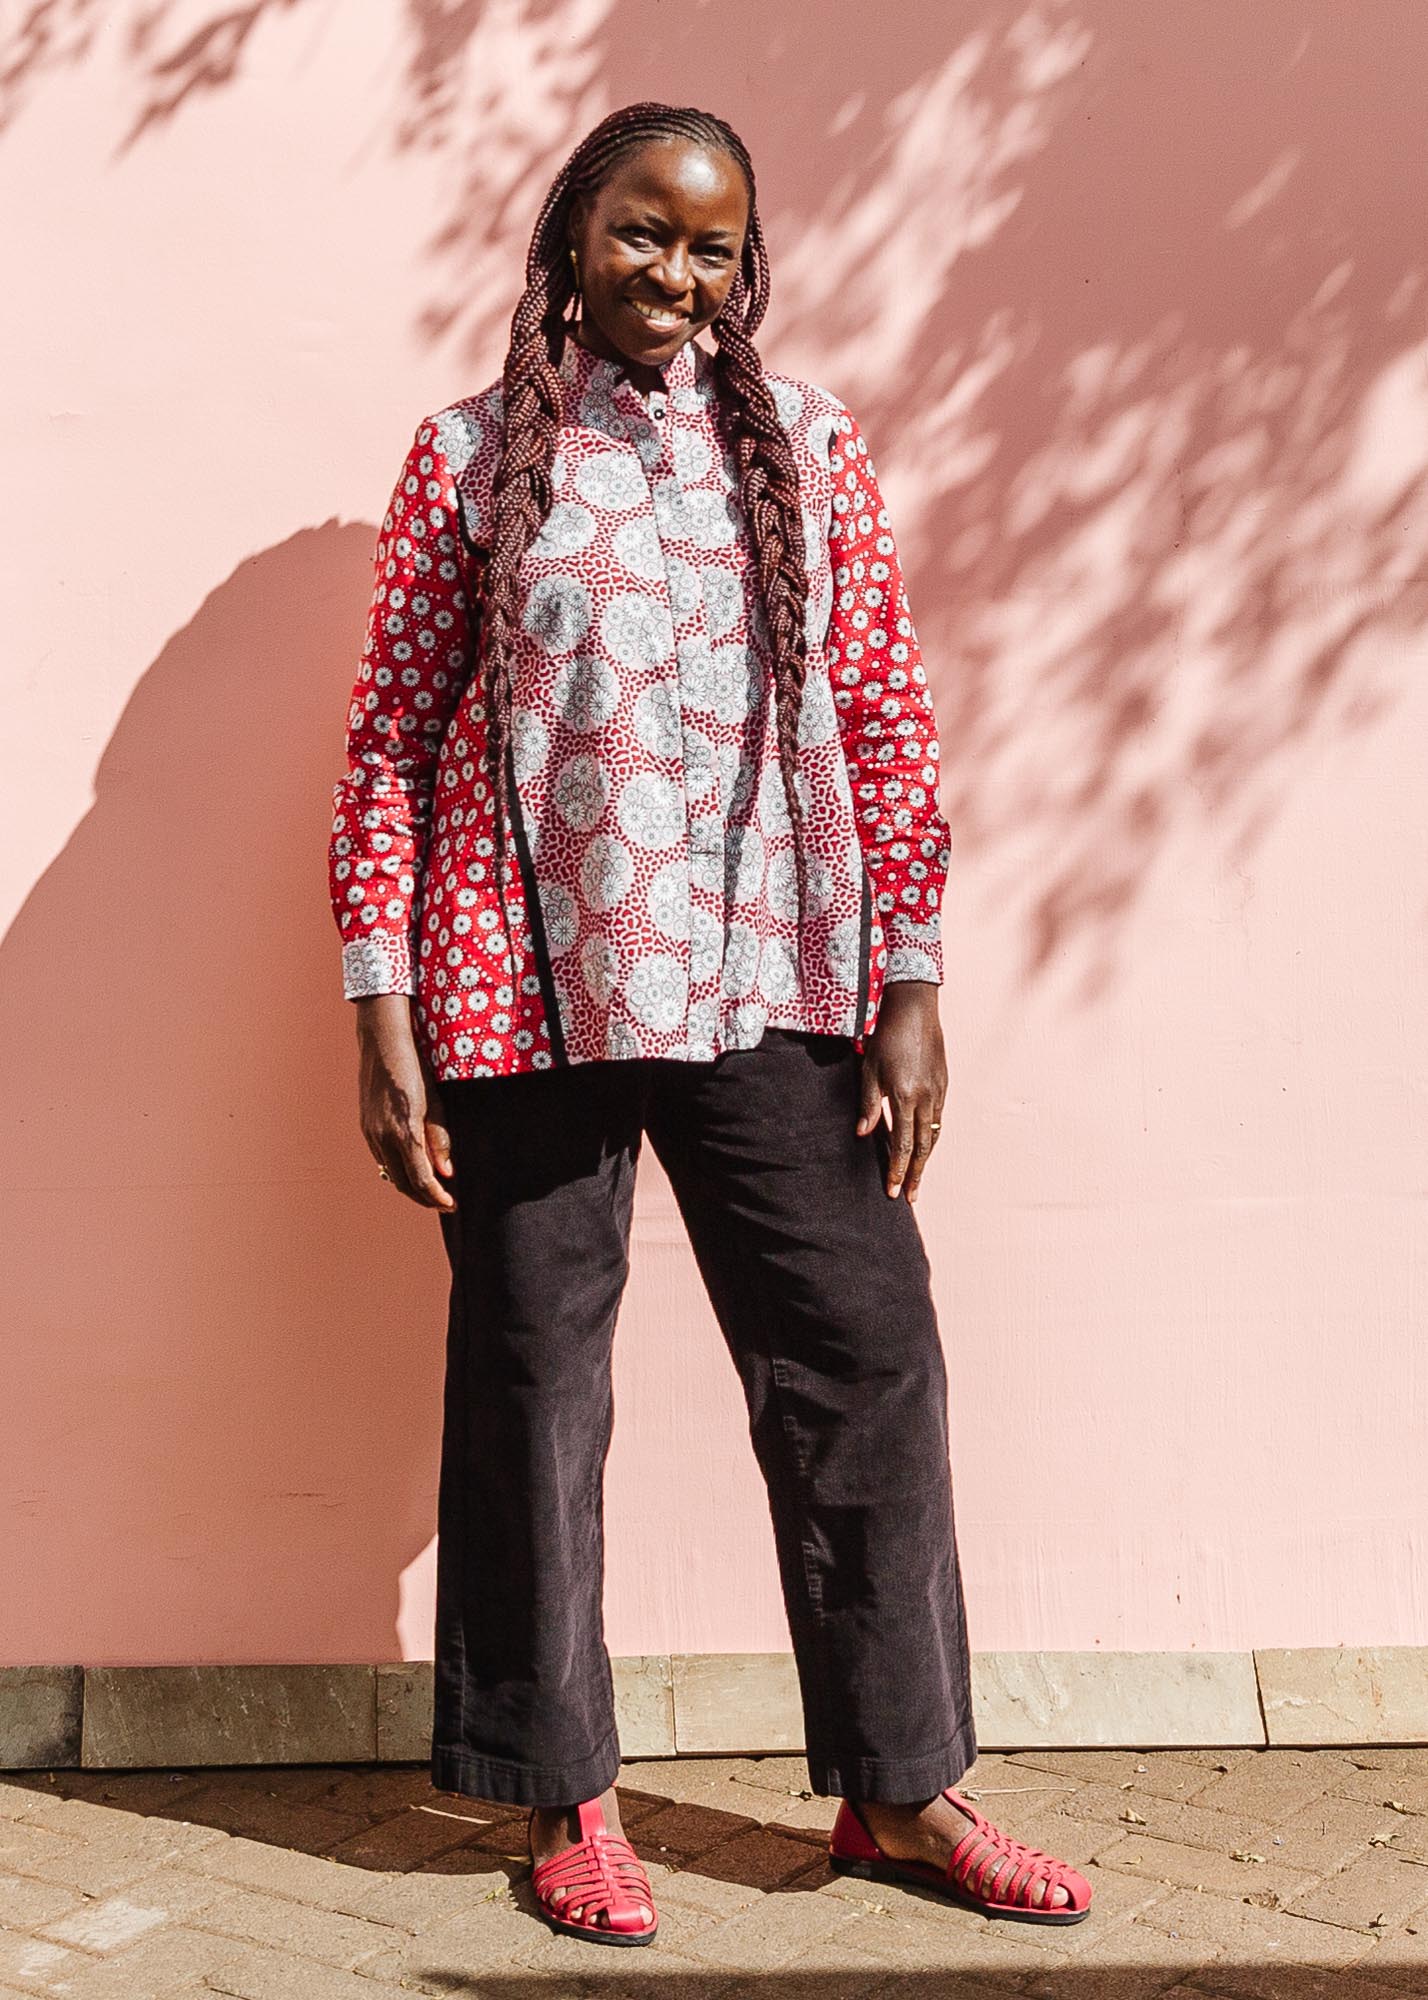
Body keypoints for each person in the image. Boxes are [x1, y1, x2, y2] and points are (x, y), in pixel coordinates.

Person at [328, 100, 1092, 1947]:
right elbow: (386, 746)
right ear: (569, 241)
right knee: (535, 1386)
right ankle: (561, 1800)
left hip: (772, 975)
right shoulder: (465, 459)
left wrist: (909, 979)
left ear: (748, 264)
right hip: (528, 984)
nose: (675, 277)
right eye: (641, 236)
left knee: (865, 1356)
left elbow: (886, 709)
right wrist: (380, 1011)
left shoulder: (812, 447)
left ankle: (900, 1792)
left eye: (710, 247)